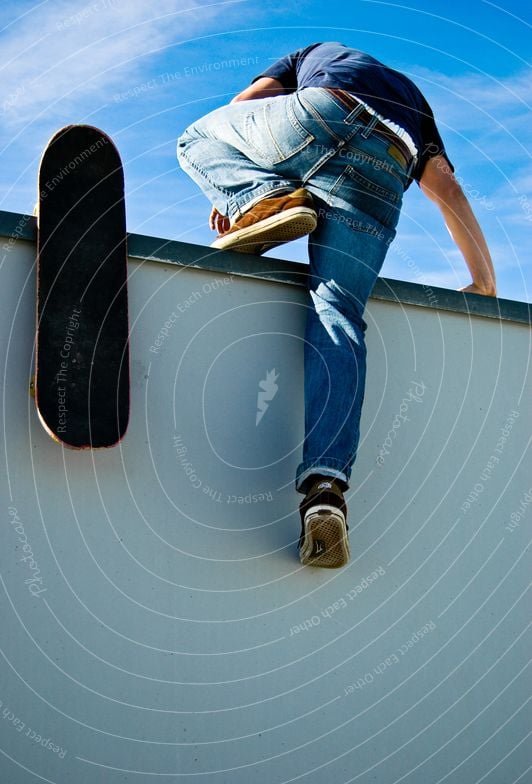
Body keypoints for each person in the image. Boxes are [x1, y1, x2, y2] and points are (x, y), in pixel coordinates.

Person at [177, 41, 496, 569]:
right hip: (389, 167)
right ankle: (326, 490)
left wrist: (231, 192)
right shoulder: (417, 107)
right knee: (339, 312)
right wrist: (483, 281)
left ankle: (264, 199)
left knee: (195, 137)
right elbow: (448, 190)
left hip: (324, 111)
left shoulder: (310, 55)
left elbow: (243, 106)